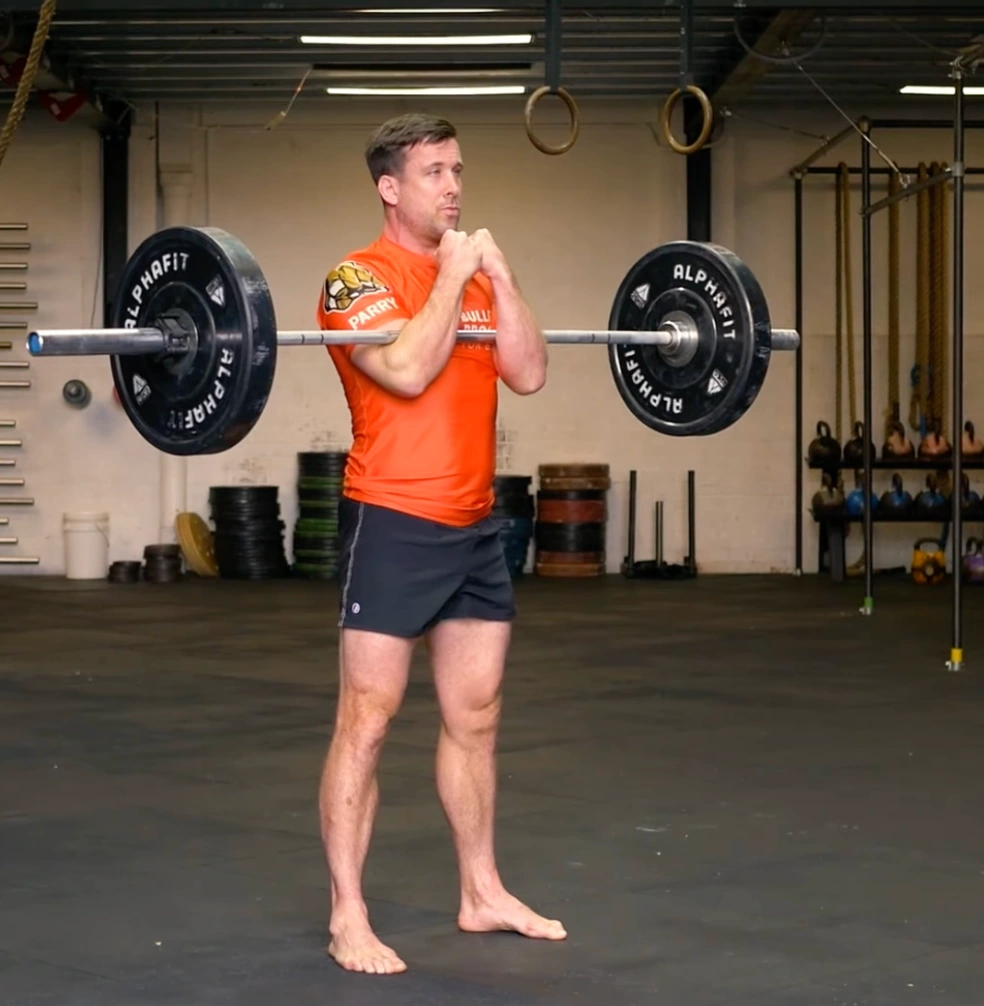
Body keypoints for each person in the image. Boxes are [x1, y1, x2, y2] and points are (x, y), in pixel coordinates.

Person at [313, 112, 564, 976]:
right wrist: (454, 276)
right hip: (390, 520)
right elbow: (410, 369)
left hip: (473, 527)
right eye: (433, 173)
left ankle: (482, 890)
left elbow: (528, 372)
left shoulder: (479, 278)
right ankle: (349, 911)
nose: (453, 186)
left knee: (478, 717)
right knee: (368, 722)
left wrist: (498, 269)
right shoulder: (355, 281)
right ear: (390, 187)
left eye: (457, 169)